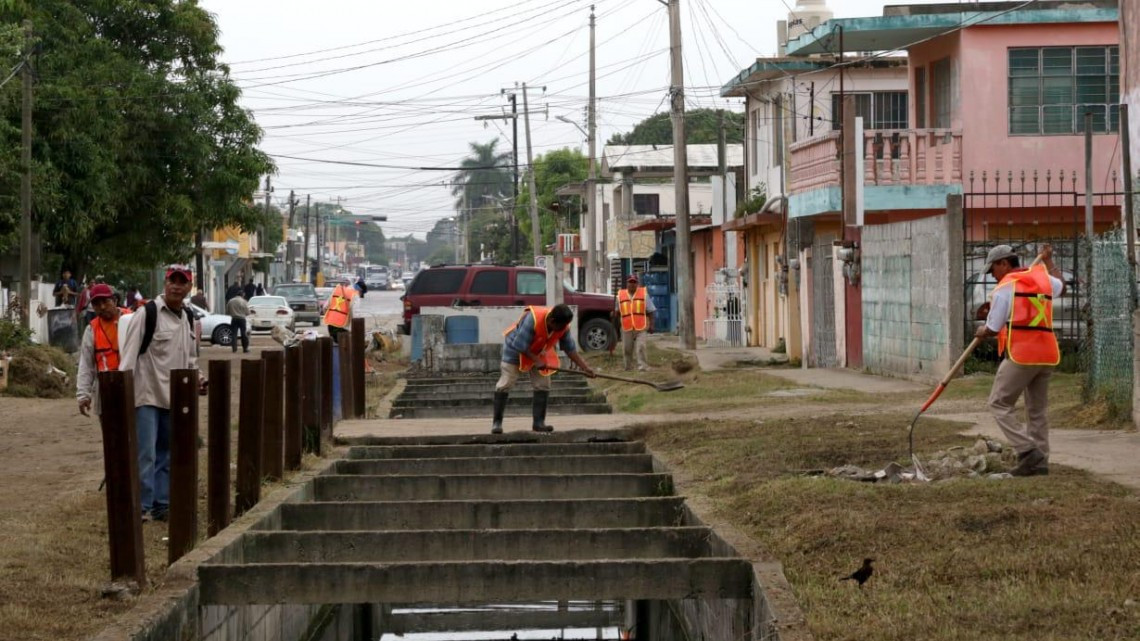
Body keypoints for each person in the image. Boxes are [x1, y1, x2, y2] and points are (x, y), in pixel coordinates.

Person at [118, 265, 204, 522]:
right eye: (172, 281)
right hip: (146, 395)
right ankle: (142, 507)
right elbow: (129, 357)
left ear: (189, 287)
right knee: (146, 454)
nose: (176, 286)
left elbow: (190, 358)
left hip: (175, 398)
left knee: (166, 455)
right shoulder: (147, 314)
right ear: (165, 283)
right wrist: (122, 393)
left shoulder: (188, 317)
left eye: (182, 282)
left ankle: (161, 505)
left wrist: (198, 378)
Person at [975, 244, 1064, 477]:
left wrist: (982, 329)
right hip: (1046, 353)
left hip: (1022, 353)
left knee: (998, 403)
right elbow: (1061, 288)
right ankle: (1040, 461)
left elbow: (993, 328)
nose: (992, 275)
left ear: (1004, 263)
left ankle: (1028, 451)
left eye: (993, 269)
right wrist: (1049, 262)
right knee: (1037, 410)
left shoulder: (1006, 287)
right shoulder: (1042, 279)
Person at [492, 304, 595, 434]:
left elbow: (570, 349)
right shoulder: (532, 319)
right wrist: (536, 360)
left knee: (543, 384)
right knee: (506, 383)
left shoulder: (563, 327)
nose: (561, 330)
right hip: (515, 349)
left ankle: (538, 423)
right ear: (551, 320)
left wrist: (585, 368)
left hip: (539, 352)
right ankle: (497, 423)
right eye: (560, 327)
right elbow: (519, 345)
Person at [76, 284, 132, 417]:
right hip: (107, 389)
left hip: (134, 386)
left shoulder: (133, 319)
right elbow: (86, 365)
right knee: (111, 435)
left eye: (105, 301)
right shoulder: (91, 330)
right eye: (96, 304)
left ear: (115, 300)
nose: (101, 307)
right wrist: (83, 395)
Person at [614, 275, 655, 372]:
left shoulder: (644, 295)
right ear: (627, 283)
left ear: (637, 284)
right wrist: (614, 313)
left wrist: (652, 325)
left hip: (641, 327)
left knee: (641, 346)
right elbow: (617, 311)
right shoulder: (620, 296)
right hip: (626, 327)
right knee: (627, 349)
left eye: (634, 282)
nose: (632, 284)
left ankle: (643, 367)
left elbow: (651, 311)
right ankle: (628, 367)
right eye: (630, 282)